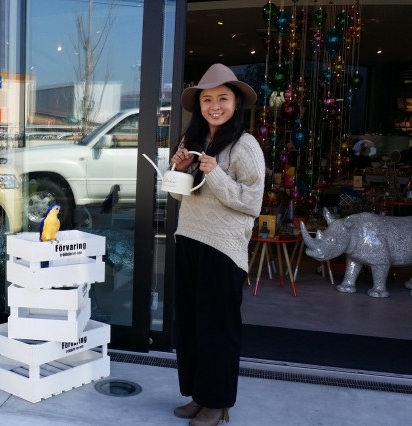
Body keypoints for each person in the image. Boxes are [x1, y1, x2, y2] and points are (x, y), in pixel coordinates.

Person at [169, 63, 265, 426]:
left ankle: (218, 403)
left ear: (236, 103)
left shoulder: (245, 145)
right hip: (189, 239)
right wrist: (178, 170)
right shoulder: (190, 143)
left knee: (218, 328)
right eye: (207, 99)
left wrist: (216, 173)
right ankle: (199, 395)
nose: (214, 105)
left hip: (224, 249)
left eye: (222, 98)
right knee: (191, 325)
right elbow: (180, 197)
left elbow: (251, 202)